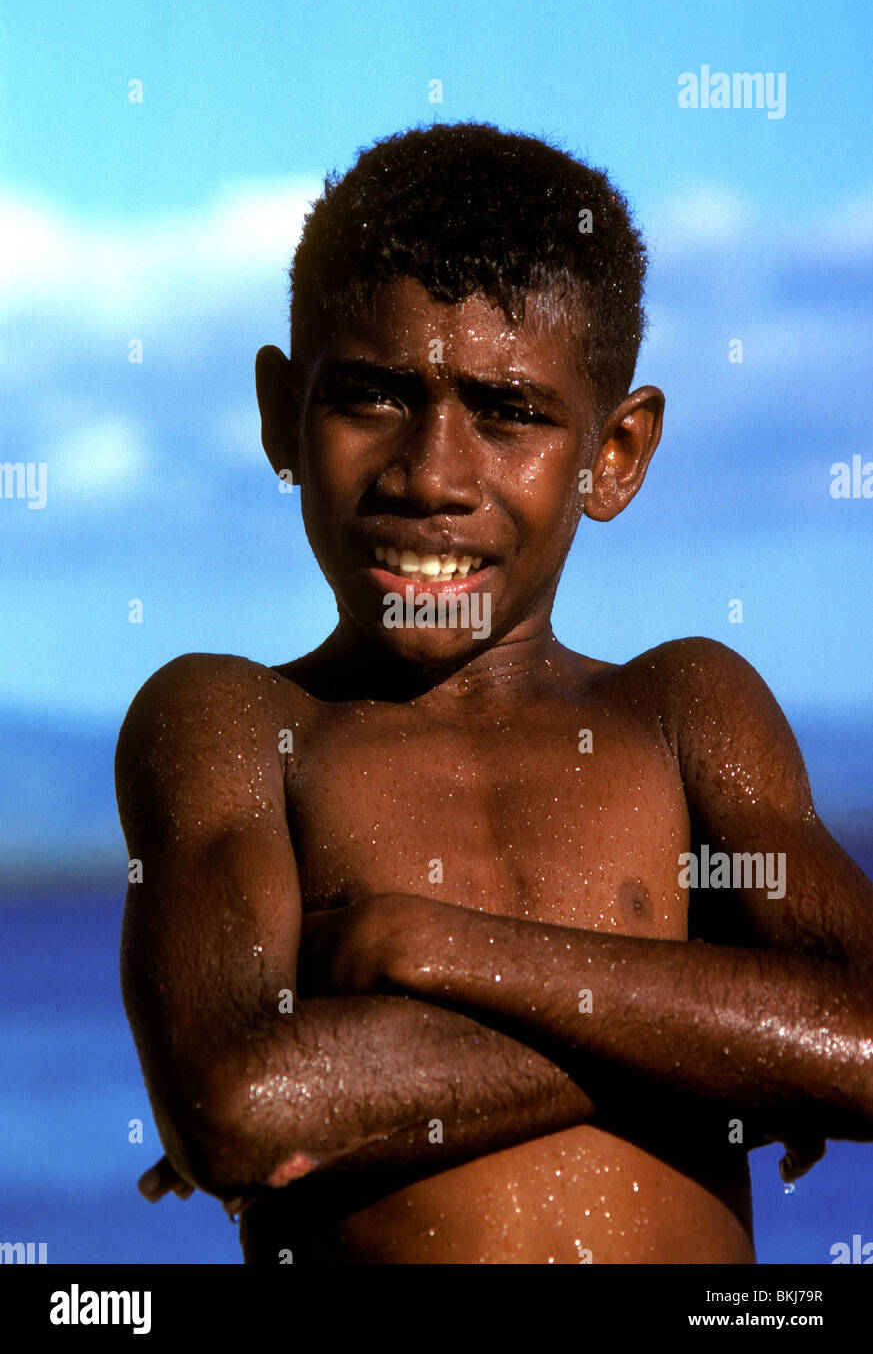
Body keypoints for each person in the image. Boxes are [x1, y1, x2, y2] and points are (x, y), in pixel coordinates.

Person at [116, 122, 873, 1264]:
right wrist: (736, 1042)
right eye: (370, 397)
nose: (433, 475)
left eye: (510, 412)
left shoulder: (682, 710)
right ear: (281, 414)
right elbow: (236, 1109)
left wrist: (425, 948)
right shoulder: (233, 724)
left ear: (614, 453)